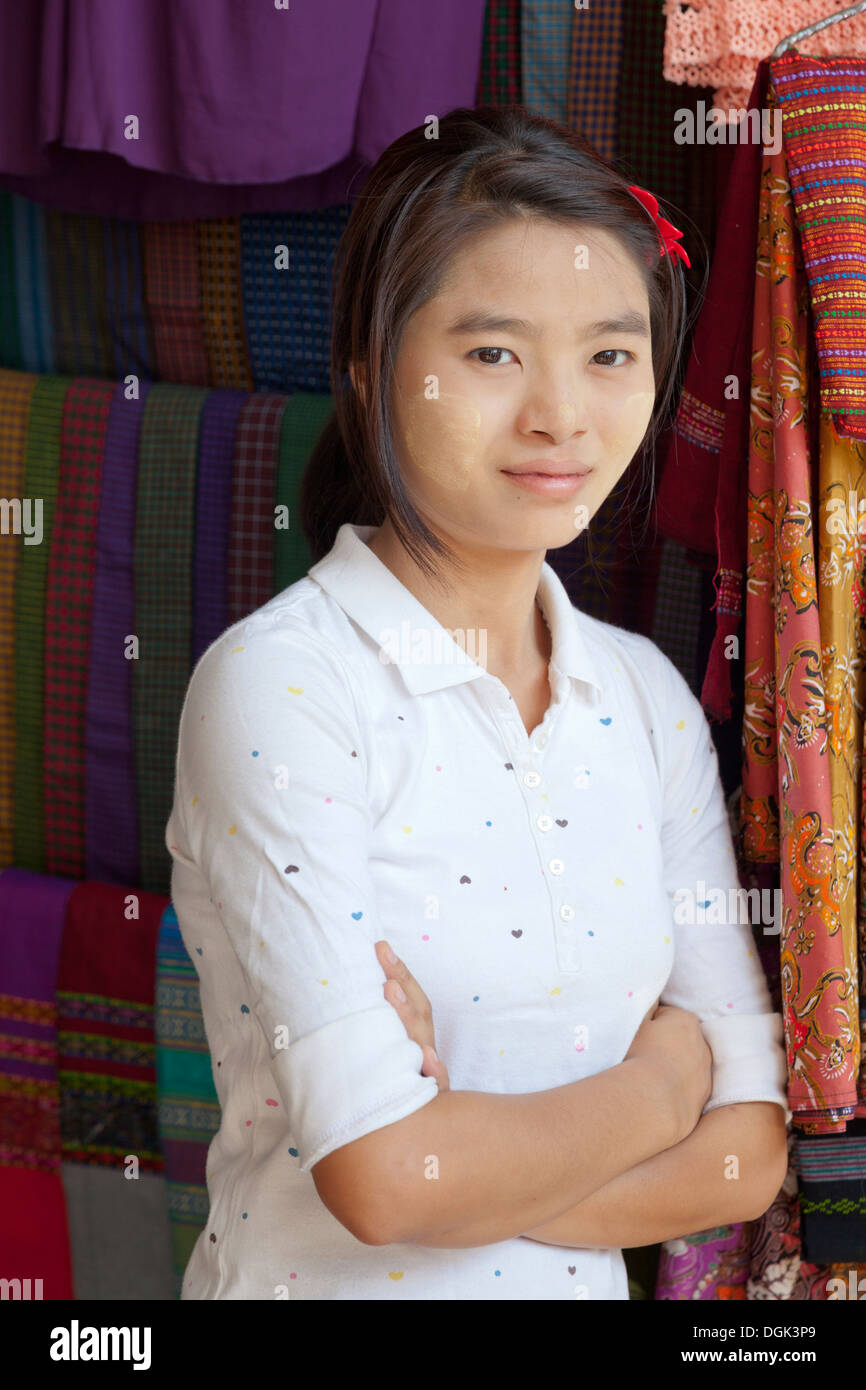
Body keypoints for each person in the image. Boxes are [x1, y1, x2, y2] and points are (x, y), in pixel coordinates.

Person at [165, 105, 791, 1301]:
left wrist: (457, 1145)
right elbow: (388, 1185)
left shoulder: (644, 700)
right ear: (367, 367)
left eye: (608, 353)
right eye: (494, 352)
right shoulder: (286, 687)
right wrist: (660, 1088)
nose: (560, 415)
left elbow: (745, 1154)